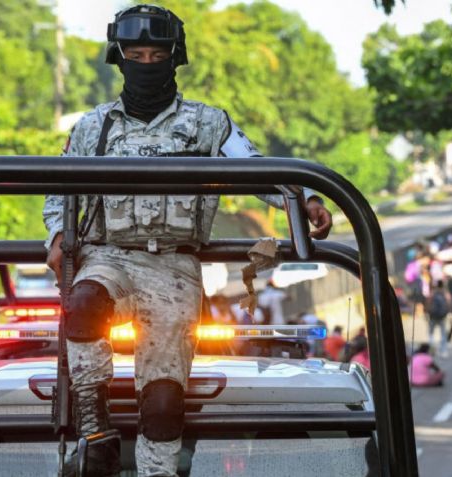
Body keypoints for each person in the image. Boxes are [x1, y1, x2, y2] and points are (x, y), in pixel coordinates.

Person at [42, 5, 333, 475]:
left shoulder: (207, 123)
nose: (146, 63)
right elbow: (58, 193)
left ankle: (159, 471)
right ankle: (96, 435)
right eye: (135, 53)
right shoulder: (94, 126)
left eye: (157, 54)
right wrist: (57, 235)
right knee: (82, 306)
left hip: (174, 268)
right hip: (108, 257)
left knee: (162, 400)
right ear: (119, 58)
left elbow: (257, 169)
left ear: (175, 59)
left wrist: (305, 202)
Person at [427, 280, 452, 358]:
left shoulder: (433, 293)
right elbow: (449, 303)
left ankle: (431, 350)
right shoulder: (445, 293)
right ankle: (443, 351)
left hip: (433, 316)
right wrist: (448, 312)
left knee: (431, 333)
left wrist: (428, 311)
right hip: (442, 316)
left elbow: (428, 302)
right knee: (443, 334)